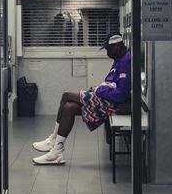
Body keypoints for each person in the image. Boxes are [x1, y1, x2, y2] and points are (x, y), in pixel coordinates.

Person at [32, 33, 131, 165]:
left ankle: (53, 140)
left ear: (117, 46)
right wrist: (103, 87)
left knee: (66, 95)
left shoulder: (126, 61)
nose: (107, 52)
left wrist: (99, 89)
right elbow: (112, 83)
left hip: (113, 104)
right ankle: (57, 152)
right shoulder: (120, 58)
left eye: (108, 48)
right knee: (69, 108)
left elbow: (120, 94)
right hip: (107, 98)